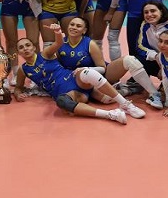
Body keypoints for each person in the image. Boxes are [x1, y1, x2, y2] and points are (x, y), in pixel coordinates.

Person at [13, 23, 146, 125]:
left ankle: (126, 104)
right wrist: (18, 94)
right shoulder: (23, 69)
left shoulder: (44, 54)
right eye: (21, 47)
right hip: (65, 92)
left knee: (86, 72)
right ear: (18, 52)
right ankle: (111, 114)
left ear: (34, 47)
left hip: (73, 79)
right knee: (63, 103)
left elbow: (59, 42)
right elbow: (18, 87)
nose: (25, 49)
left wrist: (58, 32)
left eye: (28, 45)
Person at [58, 17, 157, 101]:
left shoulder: (90, 44)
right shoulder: (59, 44)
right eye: (72, 24)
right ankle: (128, 90)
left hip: (101, 76)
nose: (74, 27)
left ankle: (155, 94)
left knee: (130, 60)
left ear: (84, 30)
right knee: (104, 98)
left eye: (78, 26)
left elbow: (102, 68)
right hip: (77, 80)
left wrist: (86, 70)